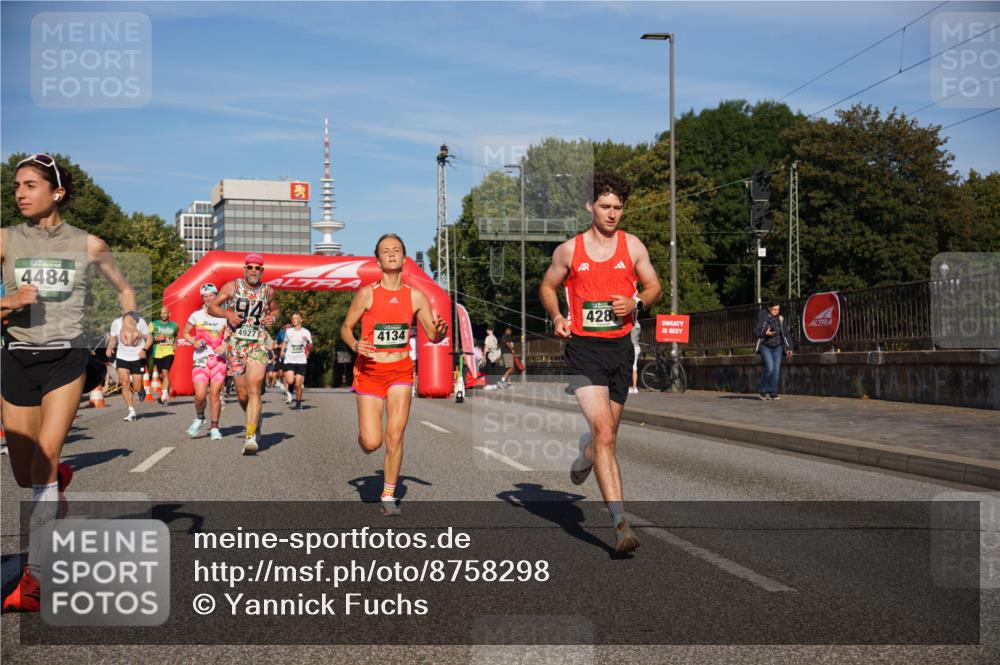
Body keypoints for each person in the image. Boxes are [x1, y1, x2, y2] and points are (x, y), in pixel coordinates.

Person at [2, 153, 140, 612]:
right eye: (16, 186)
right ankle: (55, 483)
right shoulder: (5, 240)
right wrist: (9, 302)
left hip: (66, 358)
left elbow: (125, 288)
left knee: (44, 459)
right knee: (25, 475)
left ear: (57, 192)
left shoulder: (89, 244)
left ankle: (36, 579)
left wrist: (129, 319)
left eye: (30, 185)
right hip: (15, 359)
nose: (20, 194)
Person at [539, 171, 662, 555]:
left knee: (605, 438)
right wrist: (557, 317)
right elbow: (547, 286)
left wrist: (636, 302)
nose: (611, 214)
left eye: (618, 208)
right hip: (584, 351)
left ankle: (587, 453)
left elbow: (654, 287)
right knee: (605, 432)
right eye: (605, 206)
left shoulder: (633, 246)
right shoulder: (569, 251)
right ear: (590, 206)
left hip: (620, 350)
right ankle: (620, 524)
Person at [341, 234, 448, 516]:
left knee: (396, 435)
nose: (391, 253)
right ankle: (365, 438)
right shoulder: (367, 293)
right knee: (371, 442)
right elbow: (346, 328)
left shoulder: (416, 296)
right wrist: (355, 344)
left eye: (396, 250)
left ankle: (388, 495)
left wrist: (440, 332)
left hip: (400, 370)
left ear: (404, 258)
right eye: (385, 250)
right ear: (377, 261)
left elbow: (433, 335)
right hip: (370, 371)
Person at [208, 253, 279, 455]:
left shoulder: (268, 291)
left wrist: (272, 318)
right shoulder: (232, 287)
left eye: (257, 268)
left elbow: (275, 310)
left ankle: (250, 435)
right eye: (250, 267)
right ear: (245, 269)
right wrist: (227, 313)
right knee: (242, 394)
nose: (254, 271)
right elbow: (212, 307)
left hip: (258, 343)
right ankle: (256, 418)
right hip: (236, 344)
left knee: (254, 387)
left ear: (262, 271)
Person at [182, 283, 228, 440]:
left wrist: (224, 345)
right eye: (205, 296)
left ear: (217, 296)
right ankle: (200, 417)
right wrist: (193, 341)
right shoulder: (196, 315)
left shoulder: (225, 315)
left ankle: (214, 427)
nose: (208, 298)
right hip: (200, 358)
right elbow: (185, 332)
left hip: (219, 359)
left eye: (211, 295)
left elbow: (232, 334)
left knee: (214, 394)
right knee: (200, 395)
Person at [107, 313, 151, 422]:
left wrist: (144, 350)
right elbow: (112, 338)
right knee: (124, 383)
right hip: (122, 357)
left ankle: (141, 390)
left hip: (138, 357)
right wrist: (109, 347)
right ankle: (131, 411)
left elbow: (150, 338)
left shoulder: (140, 321)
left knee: (136, 387)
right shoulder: (116, 322)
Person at [754, 301, 795, 400]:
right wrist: (765, 333)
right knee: (770, 368)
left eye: (778, 309)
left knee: (776, 371)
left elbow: (786, 334)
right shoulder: (763, 318)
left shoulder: (780, 319)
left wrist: (790, 347)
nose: (776, 311)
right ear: (769, 309)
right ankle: (763, 389)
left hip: (778, 347)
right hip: (765, 346)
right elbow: (756, 332)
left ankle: (773, 392)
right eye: (774, 309)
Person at [281, 312, 313, 409]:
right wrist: (282, 351)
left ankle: (298, 403)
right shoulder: (288, 331)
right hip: (289, 359)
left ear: (301, 320)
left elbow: (311, 346)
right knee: (290, 381)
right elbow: (285, 342)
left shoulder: (306, 332)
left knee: (299, 384)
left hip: (301, 360)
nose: (294, 320)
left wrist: (307, 342)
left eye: (296, 318)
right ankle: (290, 387)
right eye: (293, 318)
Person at [150, 305, 178, 405]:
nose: (163, 315)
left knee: (165, 372)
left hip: (169, 351)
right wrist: (155, 339)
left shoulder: (174, 325)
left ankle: (164, 394)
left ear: (169, 314)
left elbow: (175, 336)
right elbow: (147, 337)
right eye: (161, 313)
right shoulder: (153, 324)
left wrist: (175, 344)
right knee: (161, 375)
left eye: (165, 313)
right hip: (157, 352)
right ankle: (166, 390)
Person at [629, 318, 642, 394]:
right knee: (634, 367)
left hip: (631, 346)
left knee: (627, 367)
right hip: (637, 346)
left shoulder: (630, 324)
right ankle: (634, 387)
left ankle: (629, 387)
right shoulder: (638, 325)